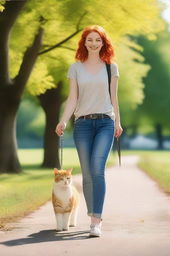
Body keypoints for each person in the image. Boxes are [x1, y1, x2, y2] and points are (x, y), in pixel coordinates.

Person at [55, 25, 123, 237]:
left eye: (98, 40)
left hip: (105, 123)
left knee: (97, 169)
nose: (94, 43)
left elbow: (114, 98)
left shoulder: (111, 67)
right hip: (82, 124)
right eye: (90, 40)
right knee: (86, 174)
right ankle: (92, 213)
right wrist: (63, 121)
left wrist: (118, 123)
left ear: (104, 43)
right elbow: (72, 98)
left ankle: (96, 220)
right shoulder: (75, 68)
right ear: (84, 43)